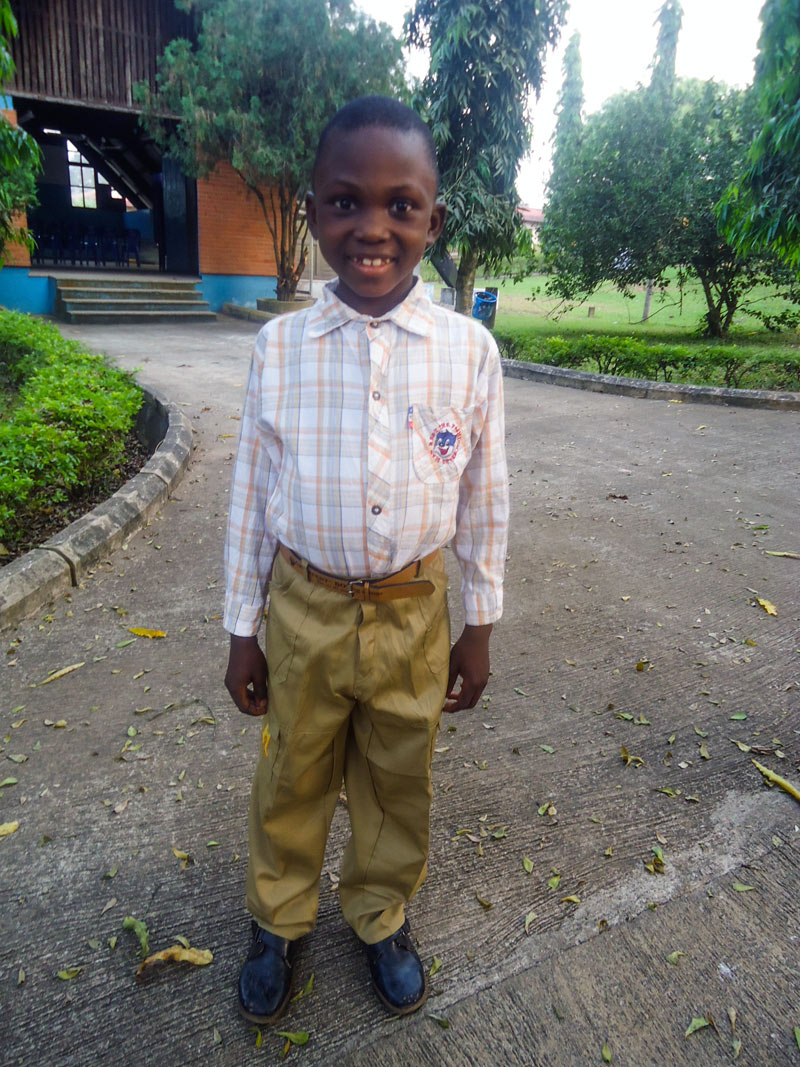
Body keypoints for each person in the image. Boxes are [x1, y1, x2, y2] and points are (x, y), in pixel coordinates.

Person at [223, 95, 509, 1024]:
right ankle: (280, 913)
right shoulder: (279, 349)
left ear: (433, 218)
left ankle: (380, 911)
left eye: (400, 204)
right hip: (303, 607)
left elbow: (483, 500)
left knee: (398, 776)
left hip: (416, 612)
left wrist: (480, 625)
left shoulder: (468, 353)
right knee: (292, 770)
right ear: (312, 211)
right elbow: (250, 498)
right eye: (346, 202)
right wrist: (242, 630)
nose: (372, 227)